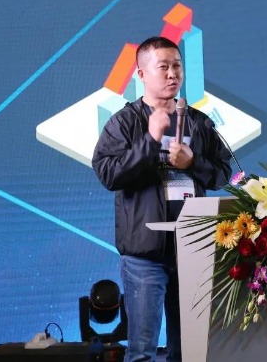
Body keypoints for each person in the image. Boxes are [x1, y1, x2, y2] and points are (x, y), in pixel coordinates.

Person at [92, 36, 232, 361]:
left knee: (188, 351)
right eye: (163, 67)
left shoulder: (199, 122)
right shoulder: (124, 122)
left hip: (192, 250)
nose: (172, 74)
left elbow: (224, 172)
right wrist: (150, 139)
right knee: (142, 350)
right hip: (145, 256)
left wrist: (193, 163)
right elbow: (108, 173)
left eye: (177, 66)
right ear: (142, 74)